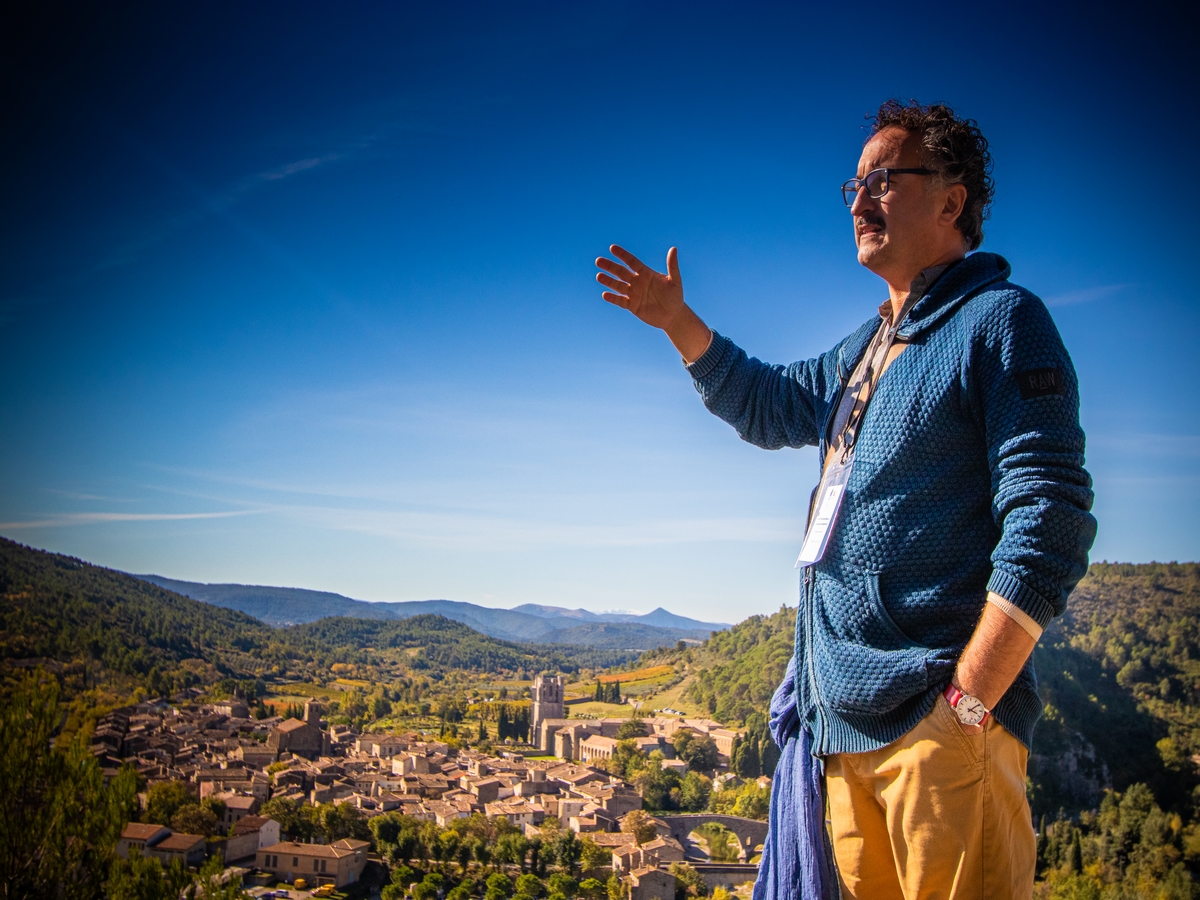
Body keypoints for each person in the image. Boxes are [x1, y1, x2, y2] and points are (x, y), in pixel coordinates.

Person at [594, 100, 1096, 900]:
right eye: (853, 185)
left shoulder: (1003, 322)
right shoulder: (865, 350)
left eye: (883, 179)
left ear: (951, 200)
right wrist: (676, 321)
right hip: (846, 736)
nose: (859, 200)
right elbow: (768, 404)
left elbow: (1051, 514)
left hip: (938, 733)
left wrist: (967, 706)